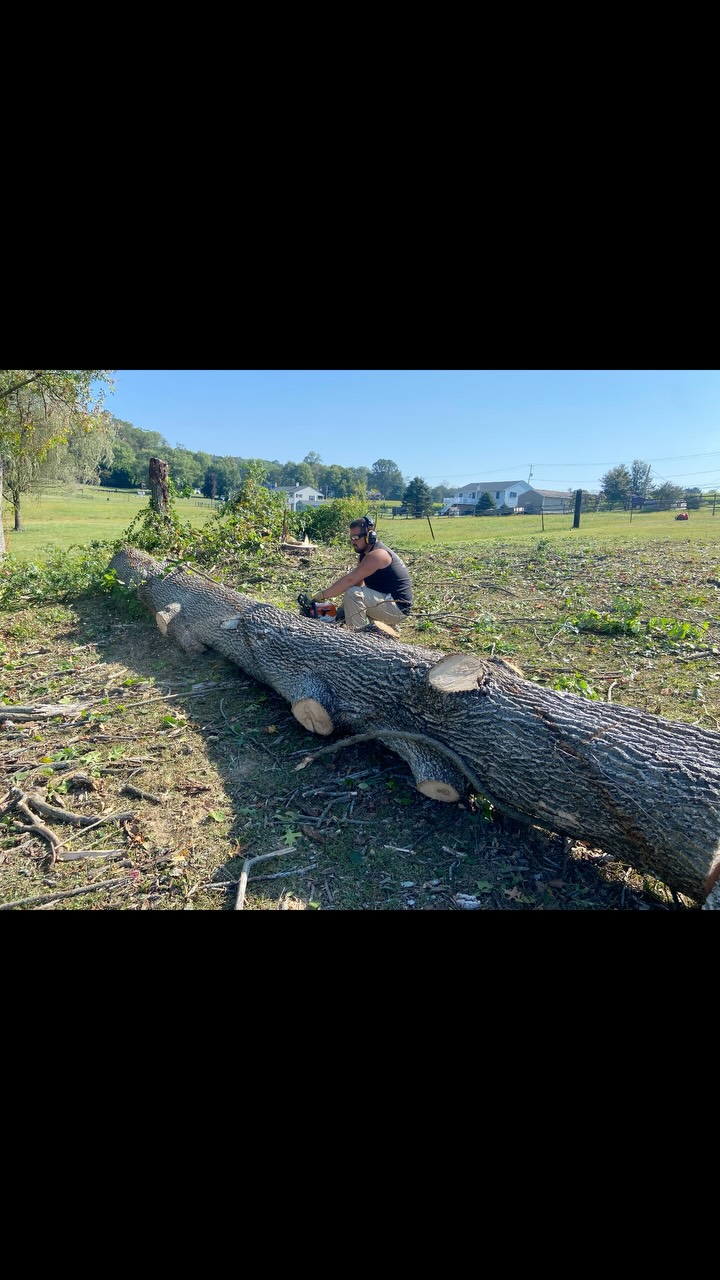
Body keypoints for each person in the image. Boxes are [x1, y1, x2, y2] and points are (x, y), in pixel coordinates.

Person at [311, 516, 413, 631]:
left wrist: (321, 595)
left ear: (369, 536)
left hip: (398, 609)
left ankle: (356, 637)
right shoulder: (365, 554)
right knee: (353, 592)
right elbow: (357, 583)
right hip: (385, 601)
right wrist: (341, 611)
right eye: (351, 538)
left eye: (356, 537)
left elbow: (350, 580)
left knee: (353, 594)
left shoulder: (378, 555)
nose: (352, 541)